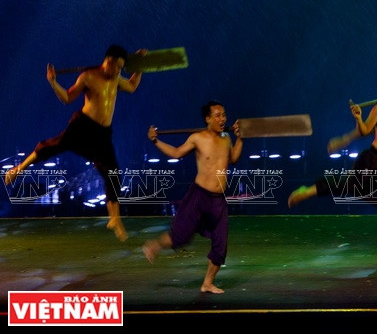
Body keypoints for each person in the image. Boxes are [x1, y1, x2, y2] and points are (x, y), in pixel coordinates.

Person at [4, 44, 146, 241]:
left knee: (113, 174)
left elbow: (131, 86)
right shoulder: (88, 76)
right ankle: (18, 169)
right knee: (52, 146)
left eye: (122, 68)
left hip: (103, 134)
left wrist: (140, 66)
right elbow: (68, 98)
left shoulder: (116, 79)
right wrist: (53, 82)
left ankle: (115, 219)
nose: (119, 72)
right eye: (118, 67)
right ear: (108, 62)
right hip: (83, 126)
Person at [288, 71, 377, 265]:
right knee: (350, 187)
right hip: (373, 160)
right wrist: (358, 118)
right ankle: (309, 190)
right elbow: (364, 131)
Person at [141, 101, 244, 293]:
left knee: (221, 244)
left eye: (224, 115)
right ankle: (154, 245)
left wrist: (240, 138)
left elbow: (234, 159)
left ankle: (207, 283)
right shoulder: (198, 138)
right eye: (218, 115)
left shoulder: (226, 138)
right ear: (208, 118)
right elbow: (176, 153)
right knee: (180, 237)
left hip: (218, 200)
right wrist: (156, 141)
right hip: (198, 196)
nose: (223, 118)